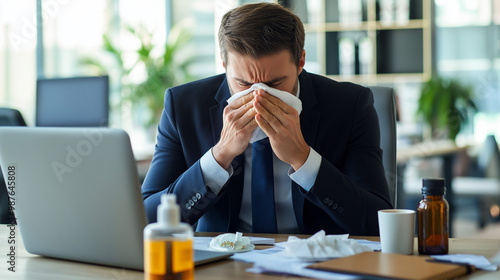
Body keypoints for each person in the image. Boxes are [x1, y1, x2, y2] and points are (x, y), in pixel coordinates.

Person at [141, 2, 392, 235]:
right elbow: (146, 218)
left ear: (301, 61)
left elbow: (378, 223)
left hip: (316, 262)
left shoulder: (350, 106)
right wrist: (219, 157)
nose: (258, 95)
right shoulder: (183, 106)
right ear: (224, 63)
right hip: (223, 263)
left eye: (275, 83)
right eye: (243, 83)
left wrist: (303, 158)